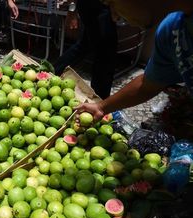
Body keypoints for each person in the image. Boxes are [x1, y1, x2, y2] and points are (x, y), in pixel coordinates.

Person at [76, 0, 193, 140]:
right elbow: (147, 85)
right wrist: (101, 107)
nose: (114, 16)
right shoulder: (171, 32)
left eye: (112, 3)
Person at [54, 0, 118, 99]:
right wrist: (72, 10)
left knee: (84, 46)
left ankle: (52, 72)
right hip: (98, 5)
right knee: (105, 56)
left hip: (95, 5)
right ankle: (100, 101)